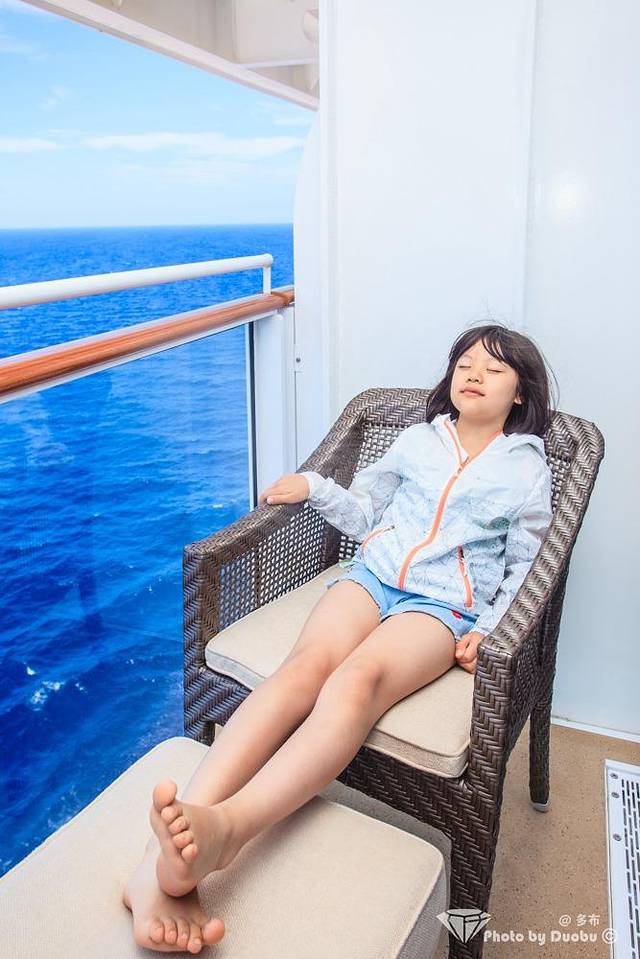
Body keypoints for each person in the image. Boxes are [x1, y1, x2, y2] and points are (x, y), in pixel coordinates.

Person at [123, 323, 556, 953]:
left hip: (441, 607)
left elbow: (529, 563)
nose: (474, 375)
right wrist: (316, 488)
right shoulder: (419, 441)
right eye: (465, 363)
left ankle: (228, 830)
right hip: (371, 575)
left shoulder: (526, 469)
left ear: (519, 392)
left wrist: (491, 630)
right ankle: (158, 863)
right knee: (302, 669)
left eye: (494, 369)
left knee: (356, 682)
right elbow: (365, 510)